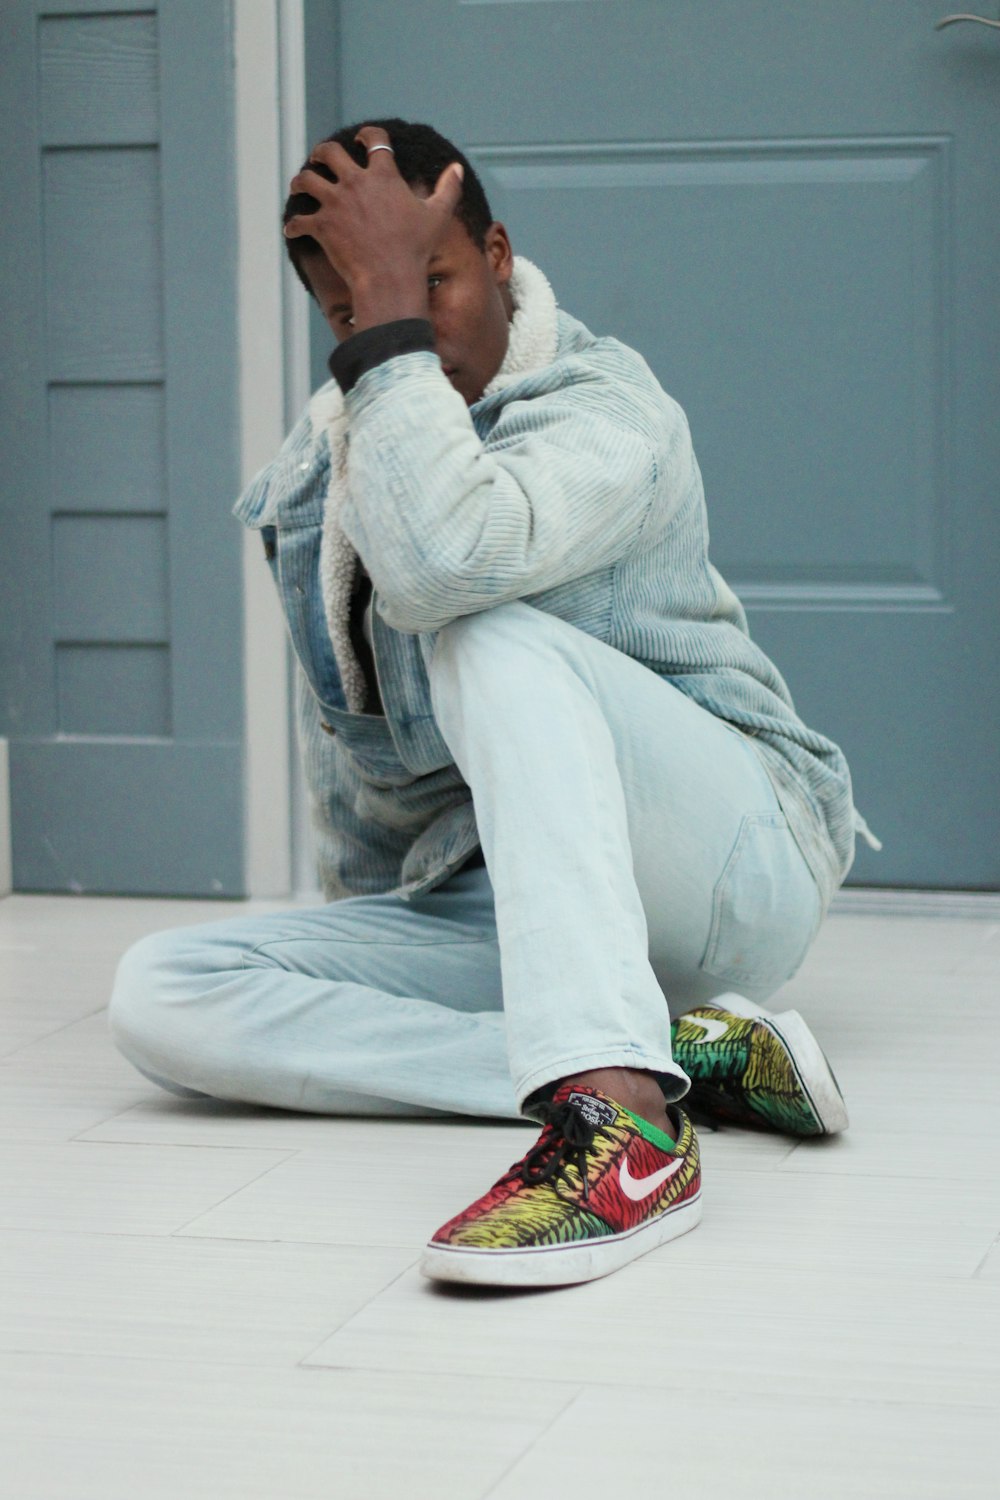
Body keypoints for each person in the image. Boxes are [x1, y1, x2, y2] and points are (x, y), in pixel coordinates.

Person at [108, 118, 880, 1289]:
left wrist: (387, 342)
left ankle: (626, 1134)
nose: (405, 326)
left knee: (484, 629)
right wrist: (367, 940)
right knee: (163, 996)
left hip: (729, 866)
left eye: (429, 283)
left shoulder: (609, 409)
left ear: (501, 255)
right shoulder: (327, 473)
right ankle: (662, 1057)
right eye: (358, 311)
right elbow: (362, 770)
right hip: (517, 912)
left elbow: (443, 562)